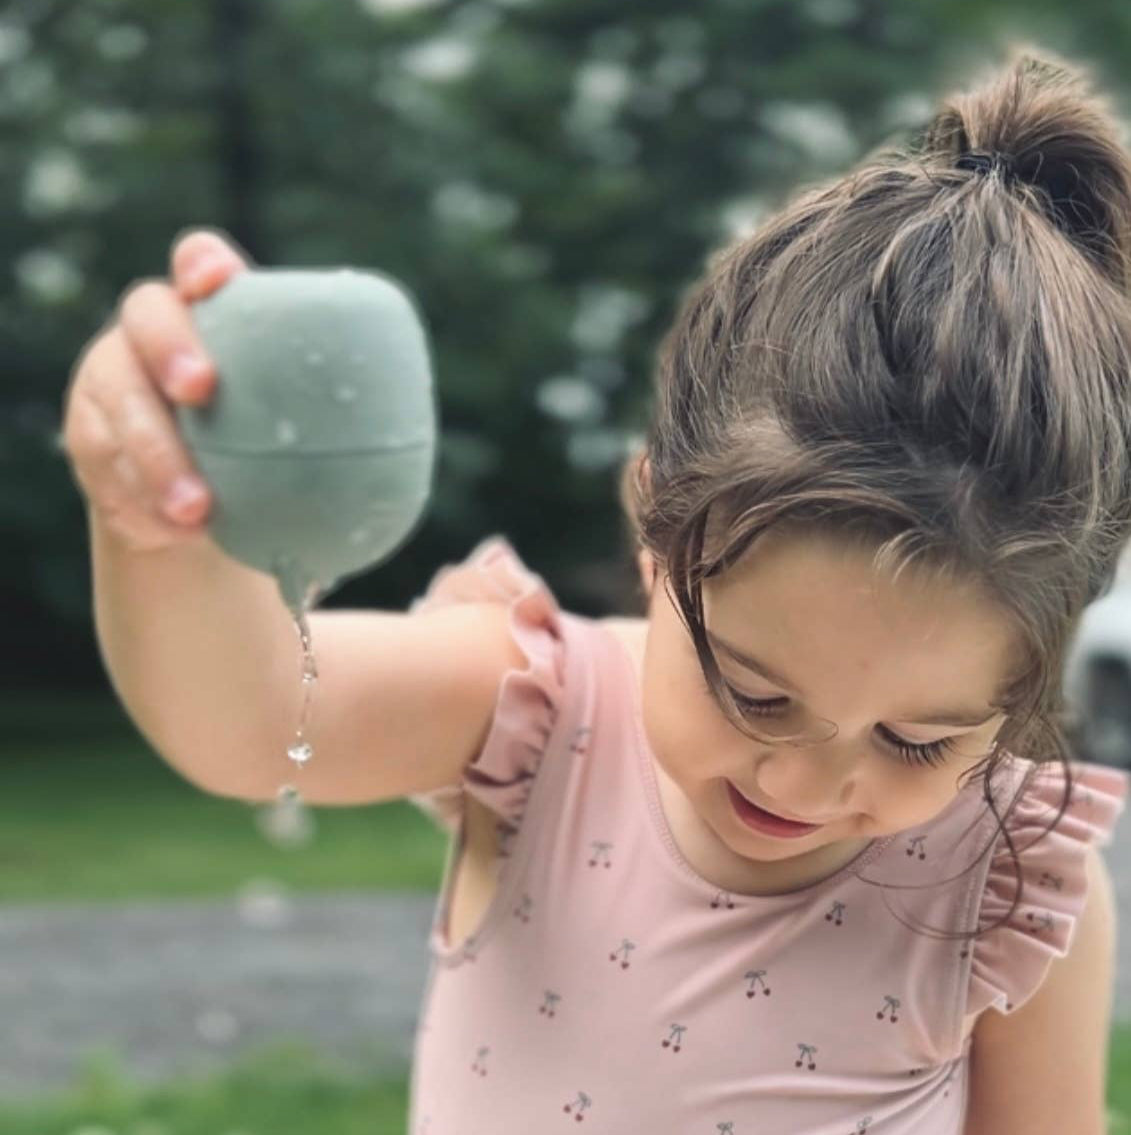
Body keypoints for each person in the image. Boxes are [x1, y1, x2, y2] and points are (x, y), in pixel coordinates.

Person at [61, 44, 1129, 1135]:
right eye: (756, 695)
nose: (809, 781)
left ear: (1027, 679)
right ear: (657, 530)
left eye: (916, 743)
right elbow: (247, 717)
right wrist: (155, 524)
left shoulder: (1006, 890)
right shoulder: (537, 717)